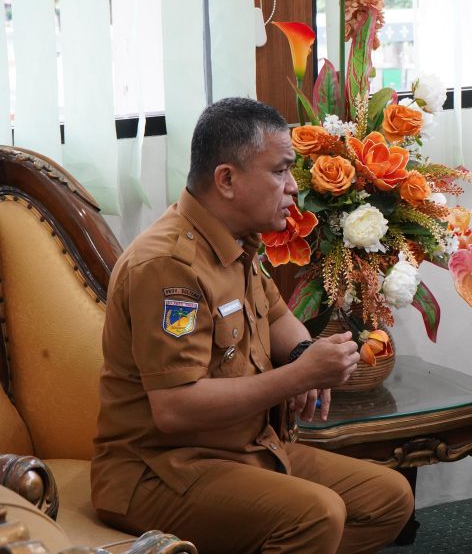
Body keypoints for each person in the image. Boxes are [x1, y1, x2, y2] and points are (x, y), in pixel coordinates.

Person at [92, 97, 414, 553]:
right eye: (280, 171)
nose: (293, 188)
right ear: (227, 179)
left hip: (246, 451)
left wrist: (303, 354)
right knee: (316, 514)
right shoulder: (168, 265)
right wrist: (298, 377)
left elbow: (278, 316)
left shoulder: (237, 238)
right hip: (160, 471)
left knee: (389, 499)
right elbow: (175, 408)